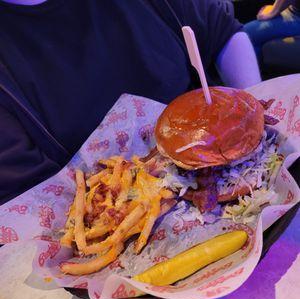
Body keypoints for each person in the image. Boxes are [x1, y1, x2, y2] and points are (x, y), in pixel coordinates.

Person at [0, 0, 261, 205]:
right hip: (126, 234)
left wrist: (250, 117)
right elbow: (34, 198)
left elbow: (222, 31)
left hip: (236, 169)